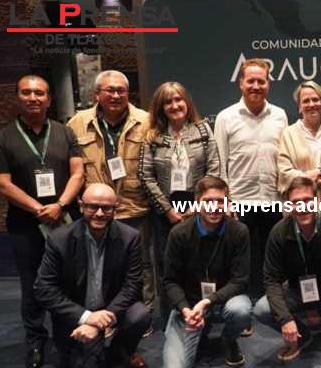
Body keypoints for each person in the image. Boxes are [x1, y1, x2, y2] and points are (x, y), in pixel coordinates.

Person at [0, 75, 84, 368]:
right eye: (26, 93)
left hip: (65, 220)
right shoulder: (3, 138)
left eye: (39, 93)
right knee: (32, 284)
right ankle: (35, 339)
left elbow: (78, 173)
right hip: (25, 225)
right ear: (17, 97)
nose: (33, 98)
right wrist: (39, 209)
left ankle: (68, 335)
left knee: (68, 280)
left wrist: (60, 205)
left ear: (49, 99)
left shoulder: (65, 133)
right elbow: (2, 184)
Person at [34, 184, 151, 368]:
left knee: (140, 314)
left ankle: (119, 353)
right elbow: (43, 288)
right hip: (77, 315)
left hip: (110, 309)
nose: (99, 213)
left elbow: (133, 285)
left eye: (107, 208)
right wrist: (86, 317)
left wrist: (100, 321)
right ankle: (88, 352)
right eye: (92, 206)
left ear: (115, 208)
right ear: (81, 206)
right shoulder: (59, 239)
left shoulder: (130, 237)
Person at [67, 71, 156, 333]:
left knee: (142, 266)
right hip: (97, 210)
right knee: (98, 265)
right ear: (97, 94)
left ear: (128, 93)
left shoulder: (146, 121)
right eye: (110, 90)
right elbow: (71, 168)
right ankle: (103, 317)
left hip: (135, 206)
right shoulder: (77, 123)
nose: (116, 95)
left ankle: (141, 317)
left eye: (121, 90)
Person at [253, 176, 321, 362]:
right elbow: (271, 279)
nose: (302, 207)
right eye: (296, 202)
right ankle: (301, 335)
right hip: (297, 291)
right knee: (262, 309)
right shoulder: (278, 232)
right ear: (289, 205)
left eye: (307, 200)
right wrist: (285, 319)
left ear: (317, 201)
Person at [139, 82, 221, 320]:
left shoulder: (203, 130)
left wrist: (199, 206)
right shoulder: (152, 135)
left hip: (198, 208)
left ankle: (202, 314)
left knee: (199, 262)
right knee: (168, 265)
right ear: (160, 107)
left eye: (178, 99)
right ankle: (172, 316)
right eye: (168, 102)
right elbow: (145, 175)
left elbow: (214, 168)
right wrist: (167, 210)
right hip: (166, 210)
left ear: (187, 102)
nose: (174, 105)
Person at [161, 176, 251, 368]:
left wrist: (208, 301)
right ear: (197, 202)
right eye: (208, 201)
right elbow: (169, 281)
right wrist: (186, 309)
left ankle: (228, 340)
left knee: (241, 309)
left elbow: (240, 280)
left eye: (220, 201)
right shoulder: (179, 233)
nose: (215, 207)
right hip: (189, 306)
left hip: (222, 300)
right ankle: (197, 332)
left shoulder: (239, 231)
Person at [214, 58, 288, 304]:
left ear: (268, 84)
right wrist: (226, 201)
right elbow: (219, 163)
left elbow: (285, 159)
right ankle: (241, 307)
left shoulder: (280, 115)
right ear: (241, 83)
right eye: (251, 81)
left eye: (261, 81)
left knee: (272, 257)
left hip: (272, 199)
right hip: (240, 200)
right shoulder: (225, 117)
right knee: (241, 260)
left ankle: (271, 305)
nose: (256, 86)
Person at [277, 80, 321, 210]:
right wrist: (312, 179)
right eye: (306, 101)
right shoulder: (288, 134)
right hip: (300, 205)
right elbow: (284, 172)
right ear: (299, 106)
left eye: (315, 99)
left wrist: (320, 171)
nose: (311, 104)